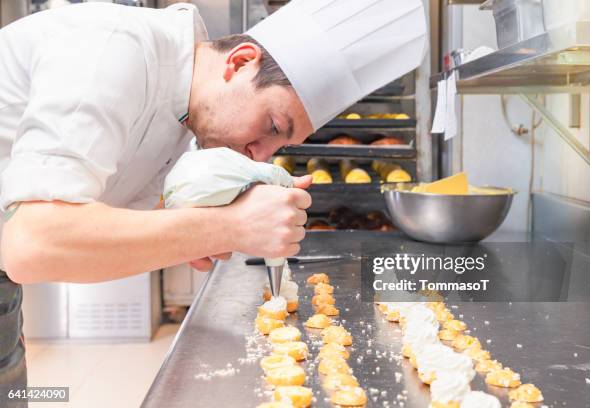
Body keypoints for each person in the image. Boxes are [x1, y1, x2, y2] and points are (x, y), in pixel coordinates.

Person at [0, 0, 427, 405]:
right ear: (240, 62)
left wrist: (195, 229)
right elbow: (33, 243)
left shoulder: (187, 109)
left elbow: (92, 225)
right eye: (272, 124)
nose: (260, 154)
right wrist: (229, 227)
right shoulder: (111, 49)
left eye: (279, 144)